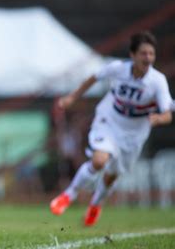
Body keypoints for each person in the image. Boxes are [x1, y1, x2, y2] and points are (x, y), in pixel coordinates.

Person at [50, 31, 173, 226]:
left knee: (111, 175)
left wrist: (158, 119)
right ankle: (68, 195)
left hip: (134, 134)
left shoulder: (157, 81)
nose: (148, 58)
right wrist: (73, 97)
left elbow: (167, 113)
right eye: (143, 53)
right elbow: (93, 78)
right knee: (99, 160)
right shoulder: (118, 68)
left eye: (151, 54)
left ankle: (95, 205)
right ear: (132, 55)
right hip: (110, 120)